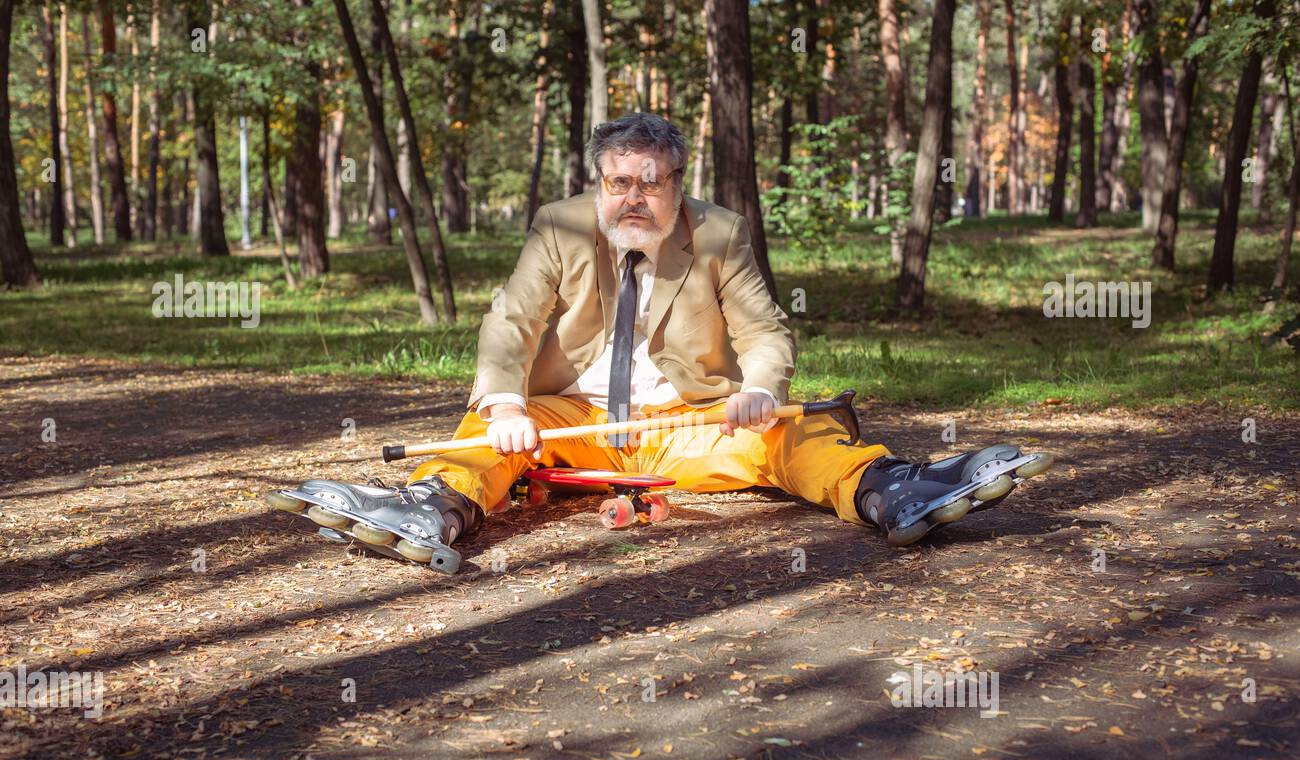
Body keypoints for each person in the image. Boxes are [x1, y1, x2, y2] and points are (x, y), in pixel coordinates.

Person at [267, 113, 1052, 573]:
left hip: (688, 424)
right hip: (572, 425)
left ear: (679, 182)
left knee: (791, 433)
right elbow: (510, 319)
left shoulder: (720, 234)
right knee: (489, 436)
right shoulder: (559, 226)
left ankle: (895, 491)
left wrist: (760, 390)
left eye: (651, 182)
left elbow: (766, 332)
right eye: (618, 182)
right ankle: (431, 509)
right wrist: (505, 399)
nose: (633, 198)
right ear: (599, 183)